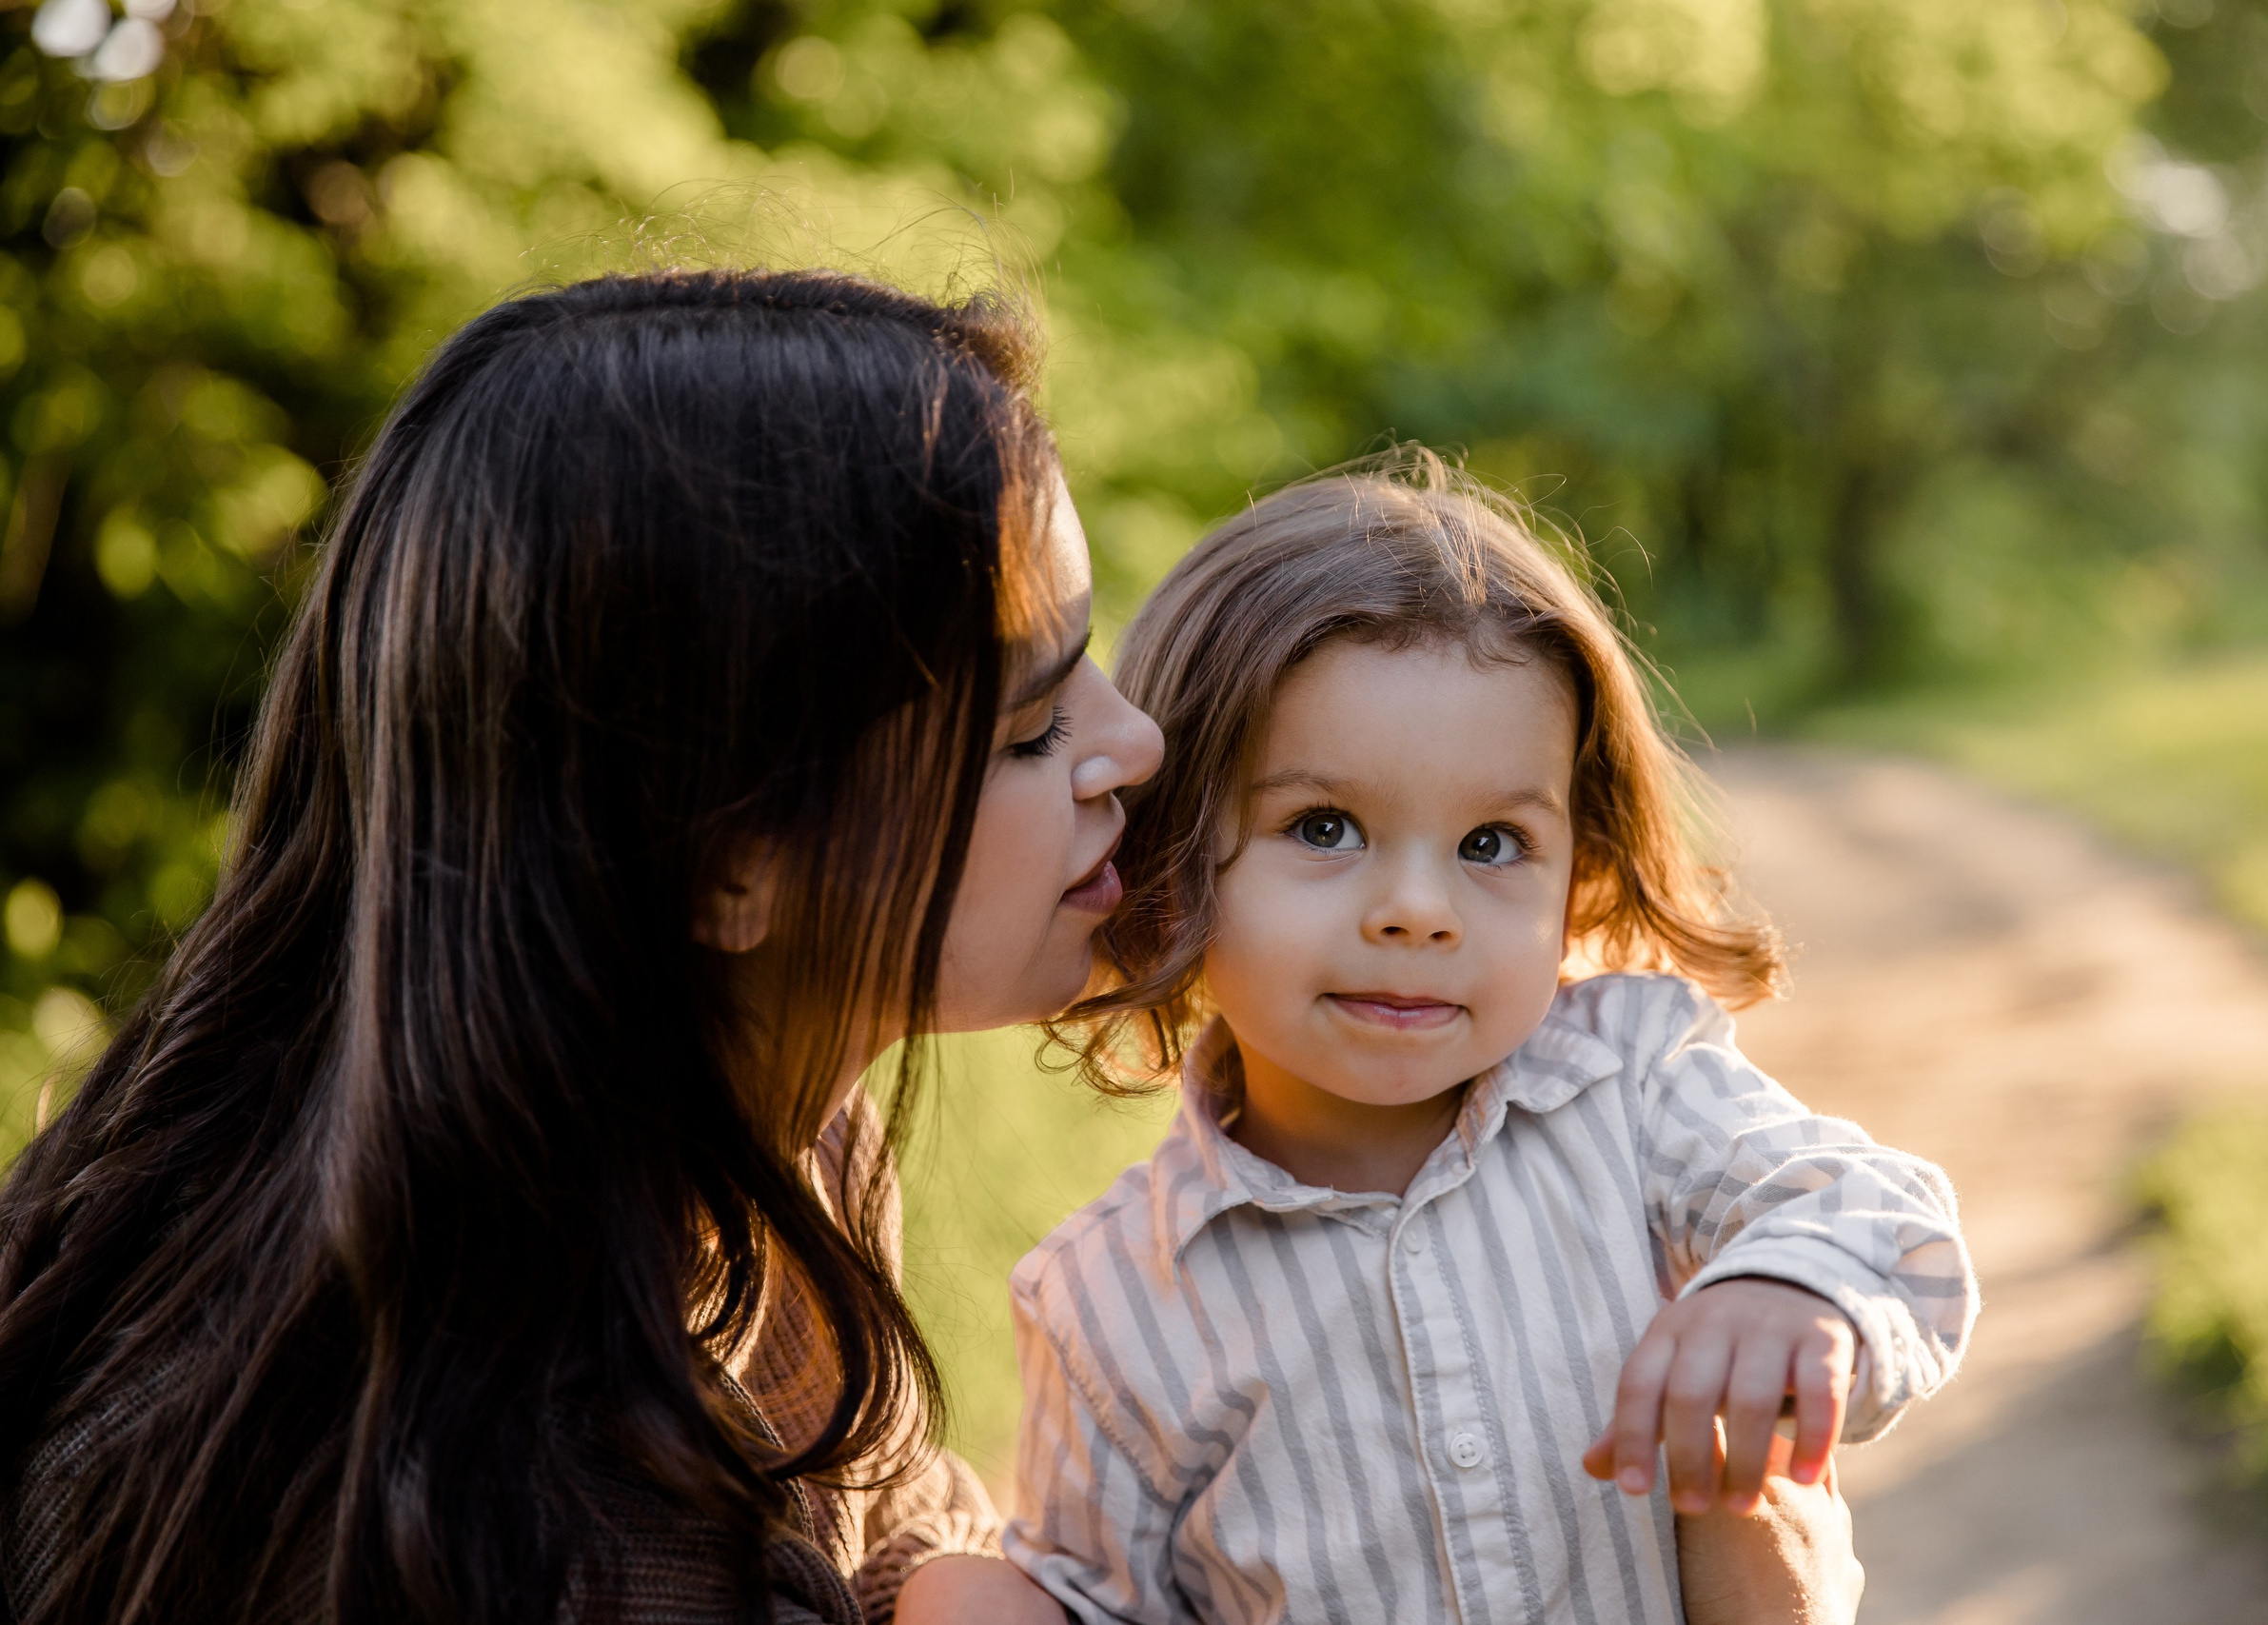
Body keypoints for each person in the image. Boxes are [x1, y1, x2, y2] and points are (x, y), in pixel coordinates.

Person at [0, 269, 1157, 1625]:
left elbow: (899, 1504)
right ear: (732, 860)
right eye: (1029, 733)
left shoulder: (756, 1128)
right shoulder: (524, 1526)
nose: (1135, 741)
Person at [1004, 456, 1977, 1624]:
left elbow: (1882, 1225)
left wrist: (1783, 1288)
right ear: (1169, 862)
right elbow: (1098, 1598)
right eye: (1323, 826)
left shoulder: (1631, 1086)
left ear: (1581, 864)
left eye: (1489, 844)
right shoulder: (1107, 1302)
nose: (1419, 911)